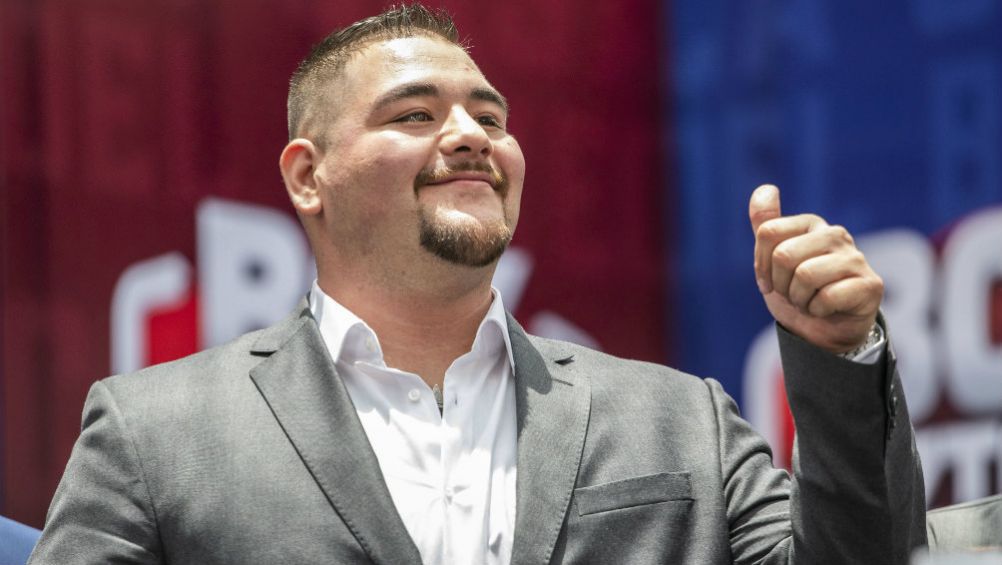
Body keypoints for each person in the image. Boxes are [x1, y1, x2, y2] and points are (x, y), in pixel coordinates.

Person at [29, 5, 926, 564]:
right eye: (416, 114)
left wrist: (840, 358)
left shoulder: (681, 418)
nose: (471, 136)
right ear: (308, 177)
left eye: (490, 117)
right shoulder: (155, 432)